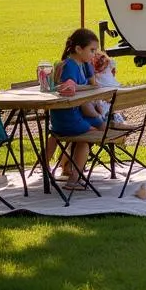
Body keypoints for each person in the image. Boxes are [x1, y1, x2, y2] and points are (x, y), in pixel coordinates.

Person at [51, 28, 108, 190]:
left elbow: (85, 86)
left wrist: (89, 75)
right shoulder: (70, 66)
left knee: (97, 121)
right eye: (91, 50)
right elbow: (70, 89)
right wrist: (88, 88)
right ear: (78, 49)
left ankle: (66, 167)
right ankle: (73, 179)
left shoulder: (79, 64)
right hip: (69, 117)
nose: (93, 54)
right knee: (85, 138)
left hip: (69, 116)